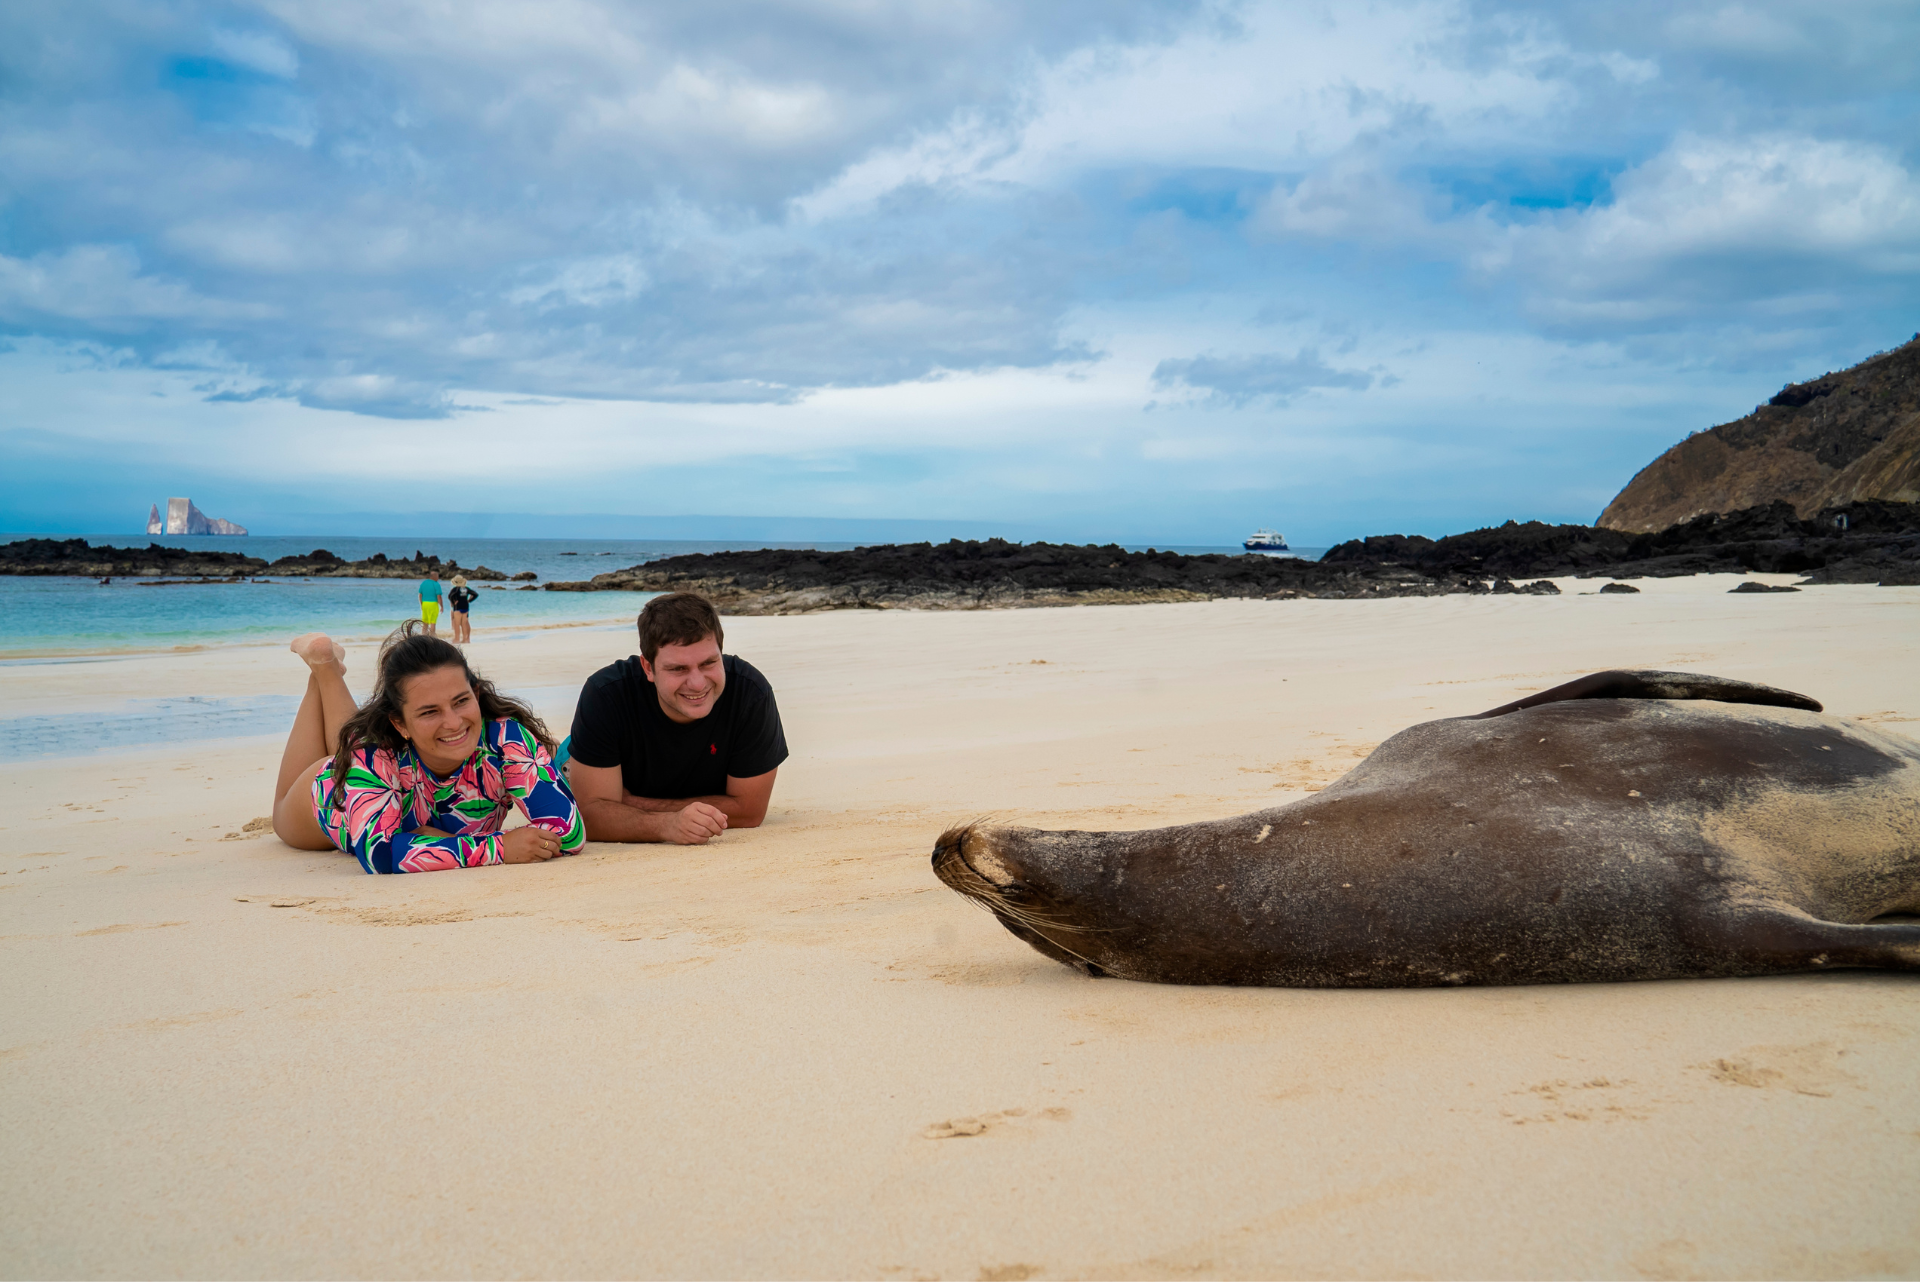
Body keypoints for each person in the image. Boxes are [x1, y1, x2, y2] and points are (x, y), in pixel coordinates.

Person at [270, 622, 583, 873]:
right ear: (400, 723)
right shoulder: (371, 756)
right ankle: (323, 669)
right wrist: (499, 847)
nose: (453, 722)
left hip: (374, 771)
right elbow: (379, 854)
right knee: (285, 813)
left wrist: (434, 842)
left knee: (354, 741)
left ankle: (325, 665)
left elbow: (569, 832)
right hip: (329, 797)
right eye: (430, 711)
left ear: (475, 693)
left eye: (461, 701)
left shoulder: (505, 739)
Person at [566, 592, 787, 844]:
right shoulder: (607, 694)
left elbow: (749, 812)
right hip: (585, 765)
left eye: (708, 663)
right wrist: (666, 825)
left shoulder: (750, 693)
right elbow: (588, 816)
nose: (697, 683)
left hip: (632, 792)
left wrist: (631, 804)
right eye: (678, 669)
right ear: (648, 668)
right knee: (557, 762)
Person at [447, 574, 476, 644]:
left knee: (457, 624)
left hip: (458, 608)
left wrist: (453, 601)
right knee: (464, 623)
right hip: (465, 607)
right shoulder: (466, 588)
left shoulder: (455, 589)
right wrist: (469, 600)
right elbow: (475, 594)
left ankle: (457, 639)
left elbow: (450, 596)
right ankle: (465, 639)